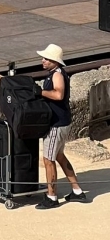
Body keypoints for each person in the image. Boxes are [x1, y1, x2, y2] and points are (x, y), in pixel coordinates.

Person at [35, 43, 86, 208]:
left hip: (56, 125)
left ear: (55, 61)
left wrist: (39, 92)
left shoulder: (57, 75)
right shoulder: (55, 72)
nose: (43, 61)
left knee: (48, 159)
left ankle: (52, 197)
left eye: (47, 59)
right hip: (62, 122)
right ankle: (77, 191)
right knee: (59, 156)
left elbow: (58, 94)